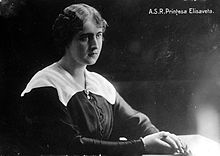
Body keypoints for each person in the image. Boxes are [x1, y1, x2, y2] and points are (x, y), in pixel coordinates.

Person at [20, 3, 188, 156]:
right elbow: (72, 145)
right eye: (84, 37)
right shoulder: (45, 84)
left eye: (98, 35)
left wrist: (161, 137)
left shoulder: (99, 83)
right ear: (66, 40)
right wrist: (142, 145)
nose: (95, 45)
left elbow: (135, 121)